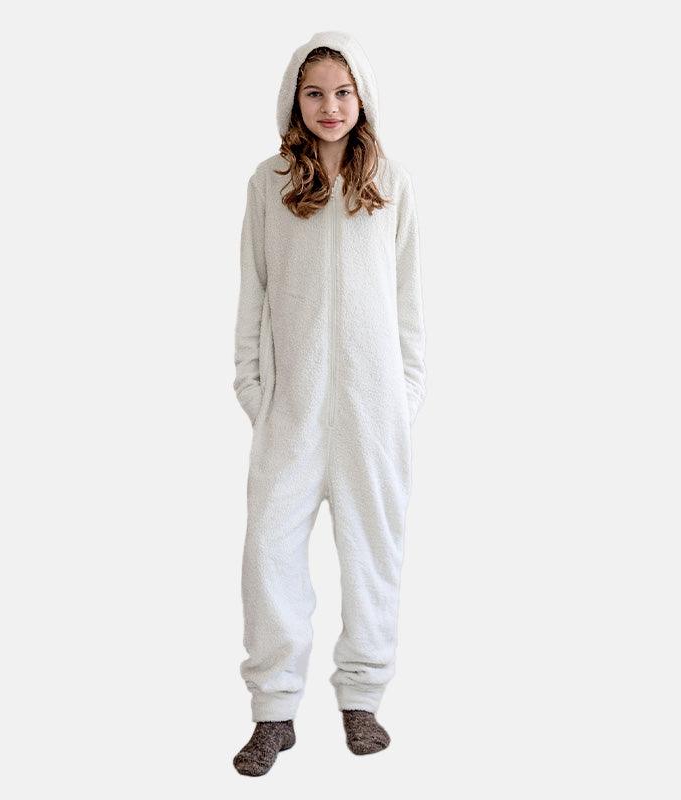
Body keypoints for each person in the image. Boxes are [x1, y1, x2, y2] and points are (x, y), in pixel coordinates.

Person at [231, 30, 427, 776]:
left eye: (343, 92)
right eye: (314, 92)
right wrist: (254, 390)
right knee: (269, 554)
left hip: (373, 412)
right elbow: (252, 291)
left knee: (374, 552)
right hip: (292, 410)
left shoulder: (392, 183)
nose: (330, 106)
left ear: (362, 97)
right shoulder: (270, 183)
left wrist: (404, 395)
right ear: (294, 99)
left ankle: (362, 699)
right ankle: (274, 712)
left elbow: (409, 304)